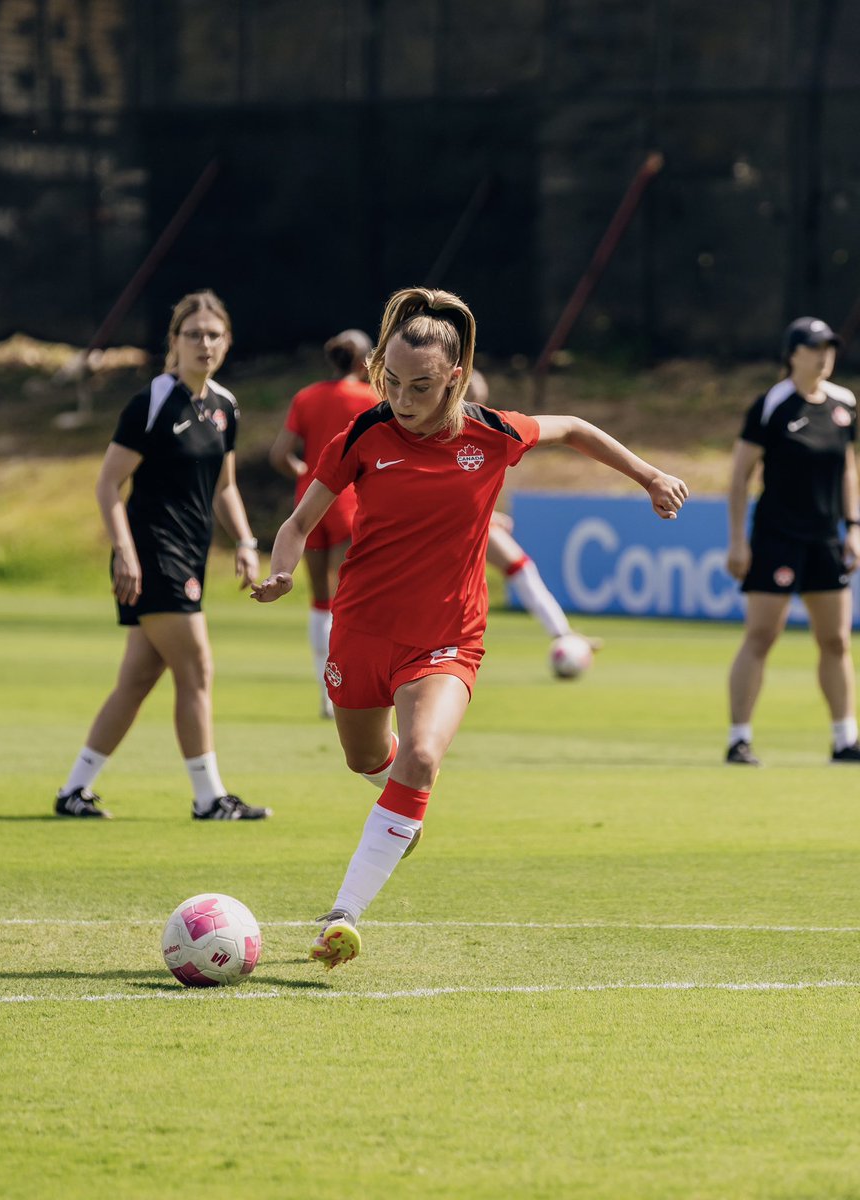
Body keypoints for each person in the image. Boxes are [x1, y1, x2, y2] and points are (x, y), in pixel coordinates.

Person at [251, 286, 687, 967]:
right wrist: (282, 572)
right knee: (369, 760)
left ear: (454, 377)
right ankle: (401, 811)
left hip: (448, 637)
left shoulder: (493, 433)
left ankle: (343, 914)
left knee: (422, 755)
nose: (402, 396)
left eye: (420, 385)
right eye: (391, 381)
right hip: (361, 628)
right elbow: (298, 524)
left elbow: (571, 425)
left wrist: (648, 474)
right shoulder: (365, 434)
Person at [54, 290, 272, 820]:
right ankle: (209, 798)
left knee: (137, 680)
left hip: (190, 555)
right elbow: (108, 484)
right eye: (193, 334)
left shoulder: (225, 406)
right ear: (173, 342)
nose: (204, 343)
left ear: (227, 342)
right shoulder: (151, 402)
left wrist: (244, 542)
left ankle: (73, 792)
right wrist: (124, 553)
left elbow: (225, 487)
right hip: (152, 554)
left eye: (214, 334)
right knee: (197, 668)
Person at [725, 315, 860, 766]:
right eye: (815, 347)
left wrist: (853, 529)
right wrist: (738, 542)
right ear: (793, 354)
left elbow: (848, 469)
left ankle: (845, 738)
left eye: (830, 347)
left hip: (824, 539)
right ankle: (739, 738)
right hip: (777, 537)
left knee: (836, 640)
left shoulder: (844, 403)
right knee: (762, 635)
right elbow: (740, 477)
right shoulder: (772, 405)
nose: (825, 355)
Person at [269, 330, 376, 718]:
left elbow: (280, 453)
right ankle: (345, 688)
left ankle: (323, 694)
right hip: (349, 504)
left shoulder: (307, 396)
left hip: (310, 505)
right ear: (366, 362)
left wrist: (304, 471)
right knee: (348, 600)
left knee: (319, 600)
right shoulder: (370, 399)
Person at [466, 370, 603, 653]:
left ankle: (563, 634)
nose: (478, 408)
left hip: (472, 523)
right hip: (452, 527)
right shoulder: (447, 433)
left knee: (521, 568)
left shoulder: (487, 429)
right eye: (475, 401)